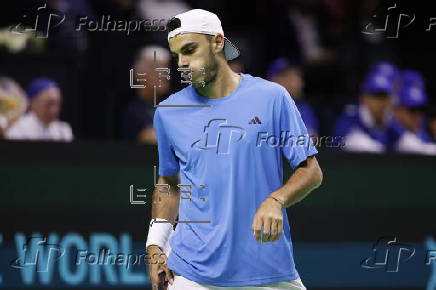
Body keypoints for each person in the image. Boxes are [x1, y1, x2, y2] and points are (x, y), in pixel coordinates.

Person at [145, 9, 323, 290]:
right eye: (177, 54)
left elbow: (311, 171)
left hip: (267, 270)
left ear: (218, 43)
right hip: (190, 272)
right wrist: (155, 245)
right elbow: (169, 183)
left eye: (190, 50)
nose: (182, 63)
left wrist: (276, 200)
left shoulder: (272, 97)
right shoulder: (168, 112)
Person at [333, 71, 402, 153]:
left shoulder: (390, 119)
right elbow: (343, 142)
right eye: (376, 96)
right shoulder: (351, 117)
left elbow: (404, 140)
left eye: (384, 97)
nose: (381, 102)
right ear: (364, 98)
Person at [122, 45, 171, 144]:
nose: (164, 75)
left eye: (165, 69)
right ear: (139, 73)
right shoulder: (132, 110)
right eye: (157, 69)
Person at [5, 77, 73, 141]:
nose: (54, 110)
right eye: (49, 103)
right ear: (32, 102)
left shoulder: (63, 130)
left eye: (58, 103)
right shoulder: (18, 128)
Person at [267, 58, 318, 136]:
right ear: (273, 81)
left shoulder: (303, 110)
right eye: (289, 77)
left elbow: (309, 141)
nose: (296, 82)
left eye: (297, 76)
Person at [393, 71, 436, 155]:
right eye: (412, 110)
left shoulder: (423, 132)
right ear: (397, 111)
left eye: (421, 110)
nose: (417, 116)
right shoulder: (391, 130)